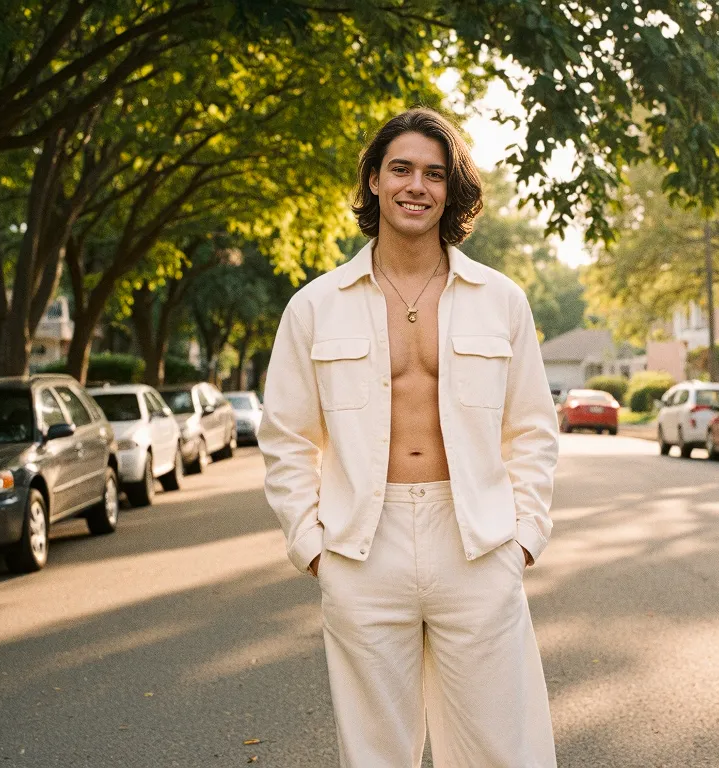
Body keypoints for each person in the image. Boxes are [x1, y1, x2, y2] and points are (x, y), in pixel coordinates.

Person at [258, 107, 559, 767]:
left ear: (451, 190)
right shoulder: (315, 305)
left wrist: (524, 539)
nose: (416, 186)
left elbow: (533, 430)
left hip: (477, 542)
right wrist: (313, 548)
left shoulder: (501, 299)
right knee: (376, 755)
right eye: (401, 169)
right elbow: (285, 438)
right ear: (374, 180)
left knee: (501, 750)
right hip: (363, 548)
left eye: (434, 173)